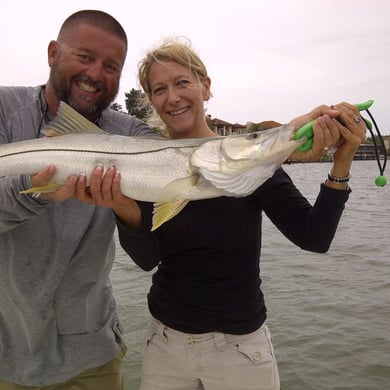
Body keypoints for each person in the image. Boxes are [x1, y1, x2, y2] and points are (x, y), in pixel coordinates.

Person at [86, 38, 366, 389]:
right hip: (166, 344)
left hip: (241, 351)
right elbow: (146, 259)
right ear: (152, 100)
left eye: (182, 82)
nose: (172, 97)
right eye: (160, 89)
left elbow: (314, 238)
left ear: (205, 87)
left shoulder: (250, 160)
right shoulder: (147, 166)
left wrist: (341, 164)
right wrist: (121, 206)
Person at [0, 10, 157, 389]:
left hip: (93, 357)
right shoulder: (5, 109)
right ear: (53, 52)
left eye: (111, 66)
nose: (96, 74)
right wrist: (34, 190)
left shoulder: (130, 133)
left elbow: (182, 155)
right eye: (84, 57)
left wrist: (283, 137)